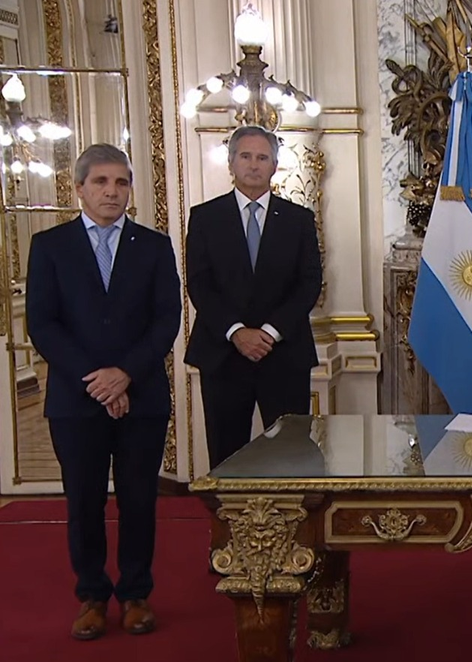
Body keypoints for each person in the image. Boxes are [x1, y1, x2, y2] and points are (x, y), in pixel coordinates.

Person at [26, 144, 181, 640]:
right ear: (79, 188)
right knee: (84, 502)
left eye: (121, 182)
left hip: (142, 397)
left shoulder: (153, 246)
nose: (112, 192)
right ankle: (92, 596)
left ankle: (135, 594)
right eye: (100, 182)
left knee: (139, 500)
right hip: (76, 401)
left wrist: (125, 375)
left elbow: (167, 319)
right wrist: (98, 379)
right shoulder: (50, 246)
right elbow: (42, 324)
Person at [184, 125, 322, 470]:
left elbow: (309, 284)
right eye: (245, 156)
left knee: (291, 456)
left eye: (262, 157)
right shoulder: (204, 218)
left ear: (274, 165)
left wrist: (270, 332)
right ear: (231, 162)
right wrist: (237, 332)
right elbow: (199, 284)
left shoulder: (299, 220)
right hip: (223, 355)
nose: (254, 164)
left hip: (284, 354)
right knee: (227, 457)